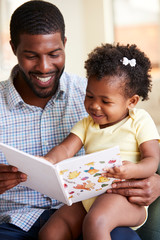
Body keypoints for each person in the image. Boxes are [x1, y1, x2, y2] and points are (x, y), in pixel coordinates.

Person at [0, 1, 143, 240]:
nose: (45, 67)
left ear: (64, 44)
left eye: (54, 54)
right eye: (31, 56)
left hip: (87, 214)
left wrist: (154, 182)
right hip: (14, 225)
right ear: (14, 48)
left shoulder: (94, 97)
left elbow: (138, 144)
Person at [38, 43, 160, 240]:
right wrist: (46, 162)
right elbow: (65, 149)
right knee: (51, 231)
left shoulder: (140, 120)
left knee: (96, 221)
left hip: (124, 198)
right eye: (89, 96)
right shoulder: (87, 124)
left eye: (105, 101)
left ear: (132, 101)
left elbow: (152, 160)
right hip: (89, 193)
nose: (94, 106)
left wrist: (131, 170)